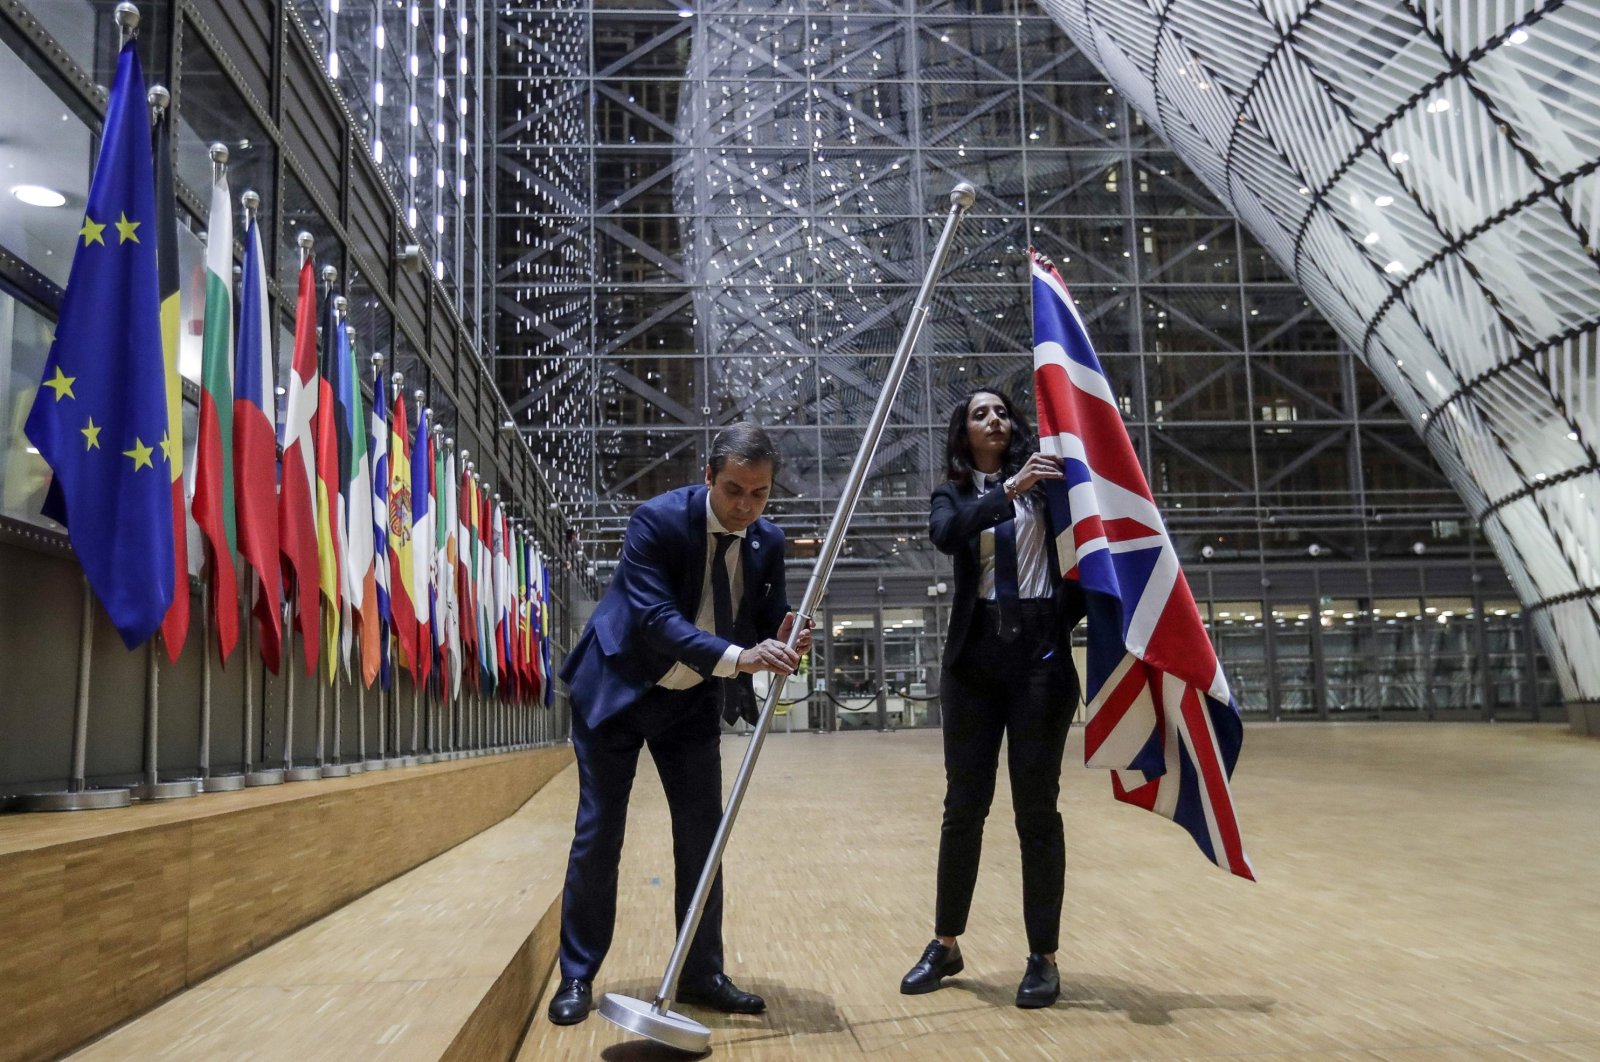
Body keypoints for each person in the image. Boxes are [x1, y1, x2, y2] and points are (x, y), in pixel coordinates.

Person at [548, 422, 812, 1026]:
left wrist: (782, 637)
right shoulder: (656, 521)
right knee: (600, 833)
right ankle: (577, 975)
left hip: (691, 699)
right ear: (708, 478)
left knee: (703, 836)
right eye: (733, 490)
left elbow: (761, 621)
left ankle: (699, 973)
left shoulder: (766, 542)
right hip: (616, 689)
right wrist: (738, 657)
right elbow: (655, 618)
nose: (745, 506)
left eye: (760, 493)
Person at [899, 387, 1085, 1009]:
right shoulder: (952, 494)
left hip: (1039, 658)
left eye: (1003, 412)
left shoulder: (1049, 488)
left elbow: (1086, 560)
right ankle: (946, 943)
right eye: (981, 413)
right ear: (964, 433)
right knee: (964, 808)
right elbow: (948, 536)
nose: (995, 420)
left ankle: (1043, 956)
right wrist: (1004, 492)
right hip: (974, 661)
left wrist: (1060, 620)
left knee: (1037, 812)